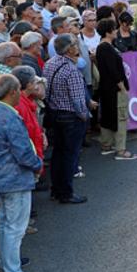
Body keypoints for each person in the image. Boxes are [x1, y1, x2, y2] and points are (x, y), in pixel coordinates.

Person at [0, 74, 43, 272]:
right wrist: (37, 164)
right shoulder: (8, 117)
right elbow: (23, 152)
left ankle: (7, 262)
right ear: (12, 92)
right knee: (15, 227)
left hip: (0, 176)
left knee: (6, 223)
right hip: (14, 178)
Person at [42, 35, 93, 204]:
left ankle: (56, 189)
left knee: (58, 153)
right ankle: (66, 192)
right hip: (71, 117)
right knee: (70, 155)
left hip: (55, 113)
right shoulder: (71, 70)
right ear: (69, 49)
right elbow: (79, 102)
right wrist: (85, 116)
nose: (77, 46)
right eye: (74, 44)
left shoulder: (50, 63)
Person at [94, 19, 137, 161]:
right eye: (113, 29)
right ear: (108, 32)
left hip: (106, 88)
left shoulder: (101, 47)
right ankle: (121, 150)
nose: (116, 31)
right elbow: (113, 71)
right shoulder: (106, 48)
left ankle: (106, 145)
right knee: (120, 117)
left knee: (107, 116)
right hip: (114, 88)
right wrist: (122, 87)